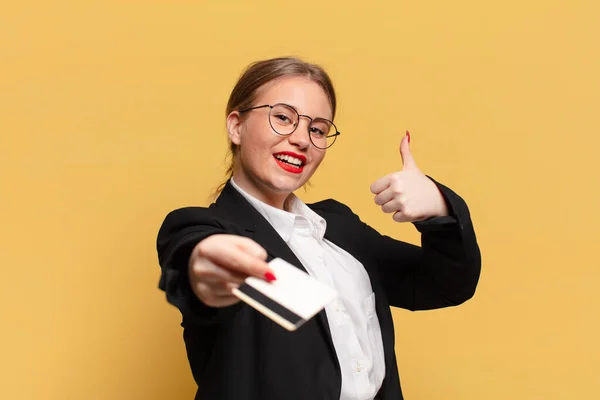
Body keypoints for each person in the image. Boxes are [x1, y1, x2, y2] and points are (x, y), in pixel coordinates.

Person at [156, 57, 481, 400]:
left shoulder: (338, 228)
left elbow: (447, 285)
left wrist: (440, 211)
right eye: (283, 117)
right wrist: (207, 269)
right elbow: (196, 262)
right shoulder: (202, 227)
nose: (302, 139)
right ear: (236, 126)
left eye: (318, 129)